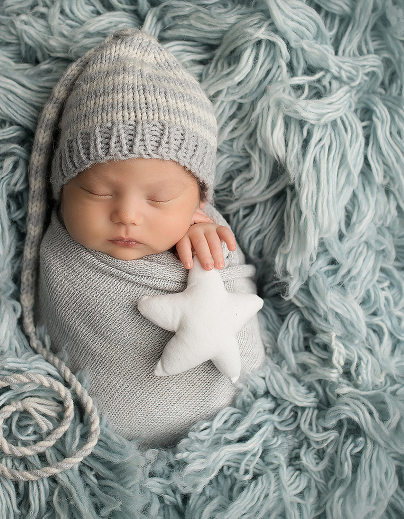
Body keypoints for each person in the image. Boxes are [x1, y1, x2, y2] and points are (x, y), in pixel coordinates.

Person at [21, 28, 265, 446]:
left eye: (162, 197)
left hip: (225, 431)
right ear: (61, 189)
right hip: (97, 434)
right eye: (97, 191)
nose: (128, 216)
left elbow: (232, 296)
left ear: (197, 201)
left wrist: (206, 239)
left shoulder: (204, 228)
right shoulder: (62, 250)